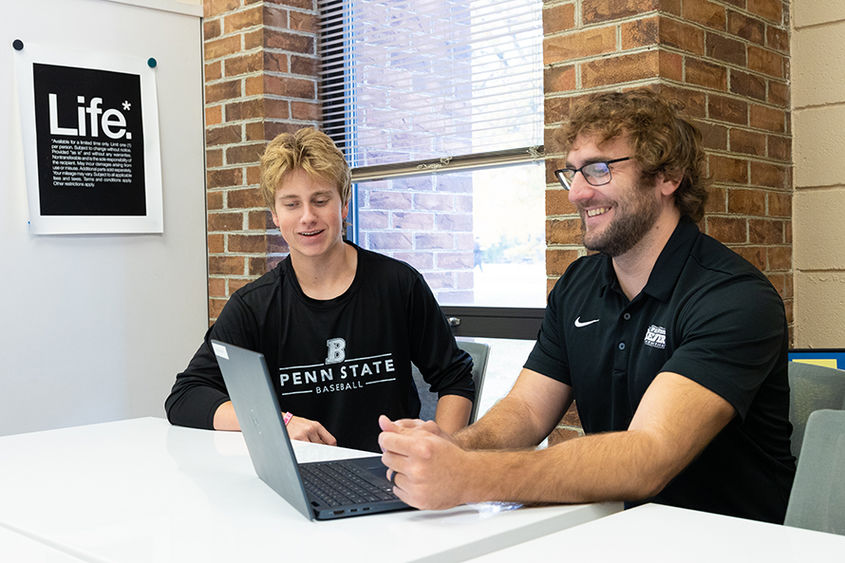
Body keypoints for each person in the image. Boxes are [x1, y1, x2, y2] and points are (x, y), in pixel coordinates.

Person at [378, 90, 795, 523]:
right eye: (572, 173)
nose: (576, 193)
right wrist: (453, 448)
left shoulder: (734, 298)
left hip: (729, 543)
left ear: (667, 177)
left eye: (598, 170)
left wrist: (469, 475)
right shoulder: (577, 285)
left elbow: (649, 455)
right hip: (613, 531)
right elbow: (527, 409)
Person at [165, 127, 475, 453]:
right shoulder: (254, 306)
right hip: (299, 483)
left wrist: (440, 456)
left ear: (343, 204)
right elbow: (186, 396)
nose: (307, 217)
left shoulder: (399, 286)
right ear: (275, 215)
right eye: (291, 204)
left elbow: (455, 379)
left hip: (390, 478)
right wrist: (279, 421)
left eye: (320, 200)